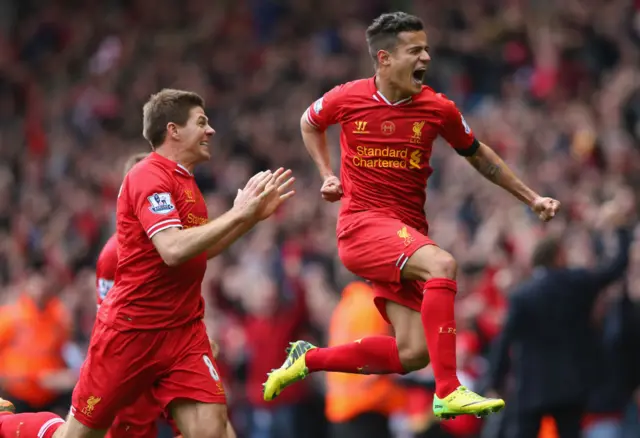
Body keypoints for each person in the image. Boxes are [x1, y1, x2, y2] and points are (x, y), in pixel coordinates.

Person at [262, 11, 560, 420]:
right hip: (361, 226)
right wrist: (328, 175)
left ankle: (307, 360)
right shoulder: (347, 97)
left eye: (427, 49)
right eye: (415, 50)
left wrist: (531, 198)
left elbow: (480, 156)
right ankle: (450, 389)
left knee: (413, 354)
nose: (426, 58)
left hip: (404, 234)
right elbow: (309, 122)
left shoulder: (438, 108)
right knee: (442, 263)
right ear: (384, 58)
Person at [0, 88, 295, 438]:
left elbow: (193, 253)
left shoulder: (187, 186)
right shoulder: (146, 176)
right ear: (173, 131)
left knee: (214, 432)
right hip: (132, 336)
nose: (211, 130)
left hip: (183, 333)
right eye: (201, 122)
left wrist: (250, 219)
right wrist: (238, 214)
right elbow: (172, 249)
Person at [486, 198, 634, 438]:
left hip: (531, 387)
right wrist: (620, 229)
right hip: (570, 386)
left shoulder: (522, 295)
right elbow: (616, 267)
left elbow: (505, 339)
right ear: (559, 256)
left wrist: (495, 381)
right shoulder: (577, 283)